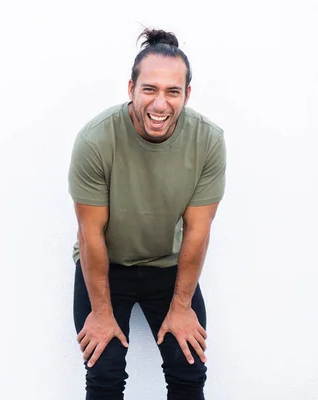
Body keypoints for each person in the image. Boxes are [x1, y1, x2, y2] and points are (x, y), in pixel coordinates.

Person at [68, 28, 226, 400]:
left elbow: (197, 231)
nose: (160, 104)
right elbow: (90, 234)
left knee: (189, 370)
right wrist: (102, 313)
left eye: (173, 91)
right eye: (149, 89)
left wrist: (182, 306)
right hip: (106, 263)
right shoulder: (95, 140)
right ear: (131, 89)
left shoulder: (208, 141)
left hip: (168, 266)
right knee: (104, 374)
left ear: (186, 94)